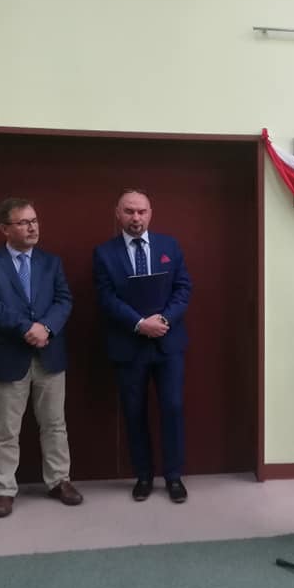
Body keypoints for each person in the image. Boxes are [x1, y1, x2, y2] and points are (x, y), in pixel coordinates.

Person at [0, 198, 82, 518]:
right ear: (4, 228)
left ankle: (59, 480)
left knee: (55, 424)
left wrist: (46, 327)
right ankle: (4, 489)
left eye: (34, 220)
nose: (32, 227)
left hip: (49, 354)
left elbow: (64, 300)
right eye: (23, 222)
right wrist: (26, 328)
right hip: (8, 355)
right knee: (6, 428)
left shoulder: (51, 262)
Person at [93, 189, 192, 503]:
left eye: (141, 211)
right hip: (128, 344)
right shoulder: (104, 253)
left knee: (172, 408)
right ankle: (144, 476)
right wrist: (139, 323)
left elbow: (183, 288)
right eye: (129, 211)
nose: (136, 217)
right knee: (134, 412)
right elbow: (106, 298)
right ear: (118, 213)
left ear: (150, 213)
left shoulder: (169, 246)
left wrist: (164, 319)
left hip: (167, 342)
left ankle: (173, 476)